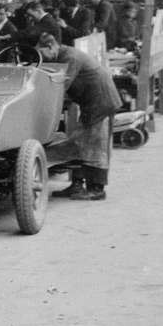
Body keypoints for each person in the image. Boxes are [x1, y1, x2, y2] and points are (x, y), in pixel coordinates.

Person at [38, 33, 121, 201]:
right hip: (91, 102)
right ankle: (76, 185)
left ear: (50, 47)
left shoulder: (70, 58)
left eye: (41, 52)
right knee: (81, 142)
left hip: (101, 102)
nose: (41, 57)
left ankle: (97, 189)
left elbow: (61, 87)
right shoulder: (64, 55)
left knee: (96, 145)